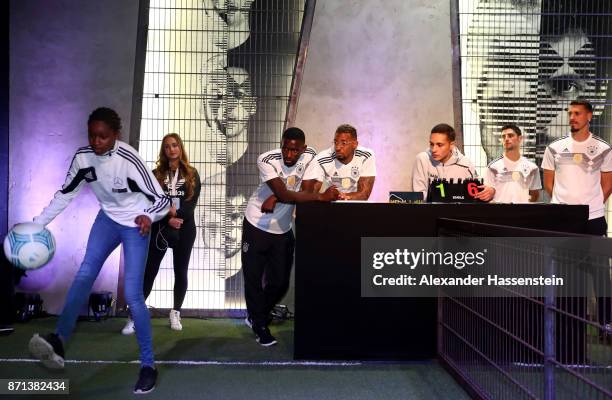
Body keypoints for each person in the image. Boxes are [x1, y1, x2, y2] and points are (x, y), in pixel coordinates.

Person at [27, 107, 170, 394]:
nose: (96, 141)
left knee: (133, 295)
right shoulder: (83, 158)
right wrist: (36, 225)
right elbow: (64, 195)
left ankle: (147, 365)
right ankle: (58, 340)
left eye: (103, 136)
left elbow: (163, 200)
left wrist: (148, 217)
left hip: (136, 223)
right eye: (92, 135)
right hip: (107, 219)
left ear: (115, 135)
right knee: (84, 274)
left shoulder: (129, 159)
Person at [242, 127, 338, 346]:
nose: (289, 154)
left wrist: (277, 198)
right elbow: (291, 193)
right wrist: (319, 197)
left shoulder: (311, 155)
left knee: (280, 282)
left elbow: (305, 190)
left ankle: (257, 315)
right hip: (256, 224)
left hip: (283, 229)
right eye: (286, 147)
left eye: (294, 150)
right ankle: (260, 324)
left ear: (302, 149)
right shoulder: (267, 159)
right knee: (253, 279)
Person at [542, 99, 612, 330]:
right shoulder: (554, 147)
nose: (572, 117)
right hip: (562, 222)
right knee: (564, 273)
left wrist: (590, 206)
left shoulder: (603, 148)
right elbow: (549, 183)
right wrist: (567, 210)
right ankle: (563, 323)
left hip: (593, 220)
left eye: (578, 113)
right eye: (570, 113)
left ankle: (606, 323)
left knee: (601, 273)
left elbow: (607, 183)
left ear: (589, 116)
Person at [121, 133, 201, 335]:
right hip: (162, 228)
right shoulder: (156, 175)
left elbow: (190, 208)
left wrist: (174, 214)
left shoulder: (191, 174)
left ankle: (175, 312)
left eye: (175, 145)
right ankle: (134, 316)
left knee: (180, 271)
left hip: (185, 229)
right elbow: (151, 205)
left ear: (180, 148)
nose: (172, 149)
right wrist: (168, 218)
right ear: (163, 151)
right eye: (167, 147)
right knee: (150, 271)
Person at [412, 123, 489, 201]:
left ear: (451, 145)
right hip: (430, 211)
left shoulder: (466, 164)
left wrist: (490, 191)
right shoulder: (422, 159)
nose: (434, 149)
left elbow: (476, 193)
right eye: (432, 144)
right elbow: (419, 196)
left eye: (439, 145)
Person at [302, 124, 376, 200]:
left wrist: (342, 196)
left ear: (355, 144)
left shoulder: (365, 156)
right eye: (336, 142)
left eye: (343, 143)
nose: (337, 147)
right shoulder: (323, 158)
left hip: (356, 206)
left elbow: (364, 194)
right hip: (332, 206)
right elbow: (308, 193)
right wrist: (323, 196)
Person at [483, 124, 542, 203]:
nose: (506, 139)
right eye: (504, 136)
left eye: (510, 136)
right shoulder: (492, 167)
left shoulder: (532, 167)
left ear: (519, 138)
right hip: (500, 213)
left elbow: (535, 195)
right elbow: (487, 195)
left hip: (522, 213)